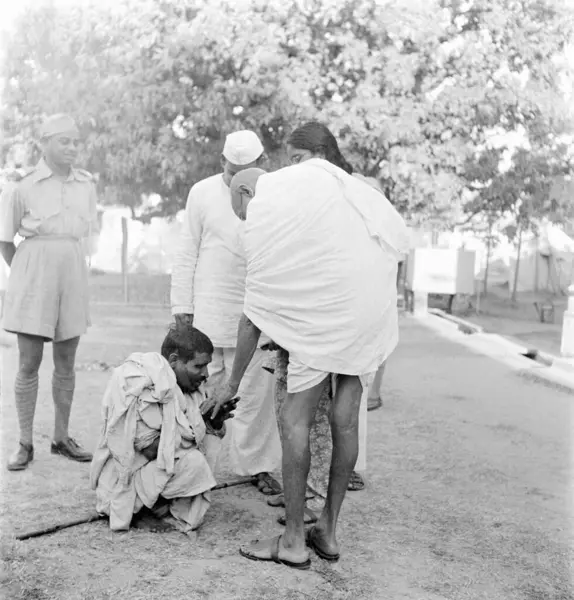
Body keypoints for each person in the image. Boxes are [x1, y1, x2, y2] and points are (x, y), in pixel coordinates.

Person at [207, 122, 409, 569]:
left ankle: (294, 540)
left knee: (294, 419)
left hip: (321, 320)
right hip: (366, 315)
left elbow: (253, 310)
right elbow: (396, 246)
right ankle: (329, 531)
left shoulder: (285, 190)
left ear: (302, 157)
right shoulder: (362, 193)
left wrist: (231, 382)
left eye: (288, 159)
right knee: (346, 421)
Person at [170, 130, 282, 495]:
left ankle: (257, 467)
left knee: (255, 393)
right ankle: (199, 463)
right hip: (208, 306)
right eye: (232, 171)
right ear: (222, 163)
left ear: (261, 165)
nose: (238, 179)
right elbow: (187, 250)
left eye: (246, 171)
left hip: (254, 308)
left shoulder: (275, 194)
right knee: (204, 386)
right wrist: (182, 306)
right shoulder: (201, 192)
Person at [0, 114, 98, 471]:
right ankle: (24, 442)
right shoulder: (21, 186)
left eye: (75, 141)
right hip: (33, 267)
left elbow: (88, 231)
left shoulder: (86, 184)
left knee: (66, 360)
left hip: (71, 266)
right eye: (63, 141)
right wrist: (28, 276)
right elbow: (4, 240)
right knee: (28, 362)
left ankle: (61, 437)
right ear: (45, 143)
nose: (71, 148)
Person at [90, 323, 238, 534]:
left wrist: (212, 422)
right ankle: (139, 509)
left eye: (207, 366)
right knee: (193, 462)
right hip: (129, 476)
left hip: (159, 469)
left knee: (210, 442)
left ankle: (163, 503)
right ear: (174, 361)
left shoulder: (189, 389)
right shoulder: (141, 384)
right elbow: (153, 451)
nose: (205, 374)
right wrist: (200, 422)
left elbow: (195, 437)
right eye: (198, 366)